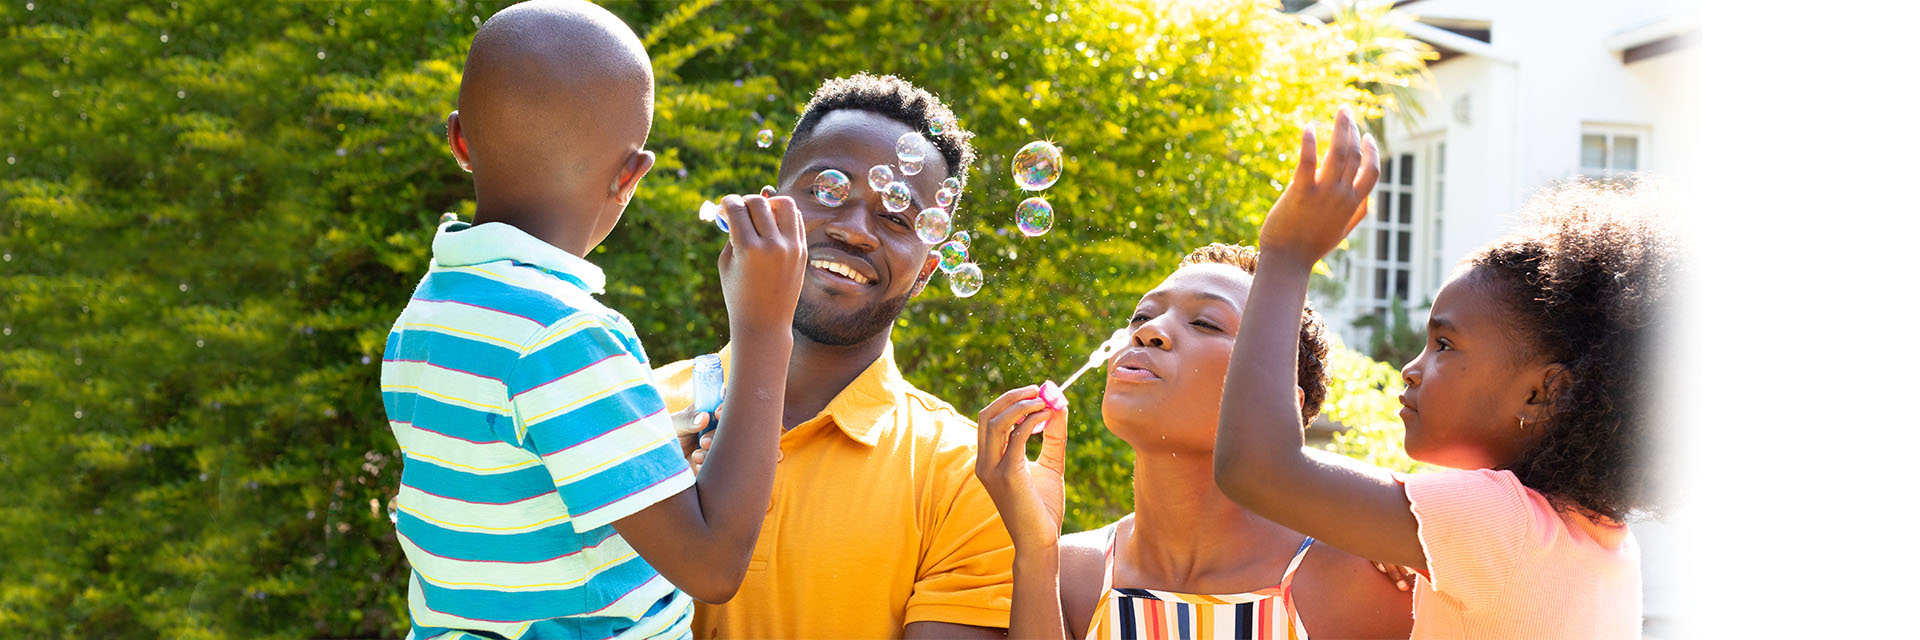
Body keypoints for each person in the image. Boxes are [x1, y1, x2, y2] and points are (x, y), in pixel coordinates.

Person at [378, 1, 807, 637]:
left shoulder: (429, 310)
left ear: (460, 140)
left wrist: (651, 456)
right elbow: (713, 565)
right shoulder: (570, 335)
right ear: (631, 175)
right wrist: (766, 328)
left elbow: (515, 485)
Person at [1213, 108, 1670, 637]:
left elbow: (1256, 470)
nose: (1411, 369)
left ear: (1543, 394)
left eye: (1444, 345)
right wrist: (1407, 534)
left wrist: (1287, 256)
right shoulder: (1599, 536)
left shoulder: (1500, 523)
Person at [651, 74, 1016, 638]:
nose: (853, 231)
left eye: (896, 217)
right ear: (767, 212)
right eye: (828, 190)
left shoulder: (972, 473)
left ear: (926, 269)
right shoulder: (633, 407)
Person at [975, 244, 1414, 639]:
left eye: (1205, 323)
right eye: (1142, 316)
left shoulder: (1360, 580)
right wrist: (1035, 550)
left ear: (1280, 401)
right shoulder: (1068, 575)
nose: (1148, 332)